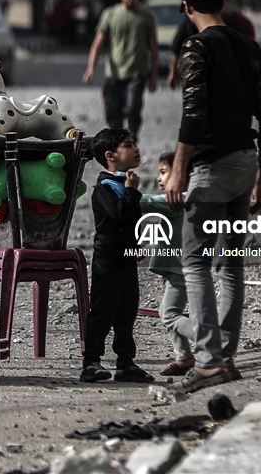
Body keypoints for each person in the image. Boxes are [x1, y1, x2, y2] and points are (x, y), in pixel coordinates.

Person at [164, 0, 261, 395]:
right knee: (230, 264)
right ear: (224, 3)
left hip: (211, 170)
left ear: (188, 8)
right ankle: (225, 357)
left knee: (195, 263)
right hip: (246, 165)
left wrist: (178, 169)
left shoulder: (196, 47)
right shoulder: (250, 46)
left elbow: (193, 113)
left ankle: (209, 361)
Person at [81, 128, 154, 384]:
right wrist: (132, 191)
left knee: (126, 312)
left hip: (125, 259)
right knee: (103, 311)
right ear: (111, 155)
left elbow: (132, 222)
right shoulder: (105, 186)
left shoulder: (125, 183)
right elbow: (121, 215)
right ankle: (90, 362)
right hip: (107, 260)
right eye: (128, 144)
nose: (135, 149)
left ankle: (126, 363)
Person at [82, 0, 159, 142]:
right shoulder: (110, 14)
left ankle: (132, 136)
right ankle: (118, 141)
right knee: (112, 111)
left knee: (133, 108)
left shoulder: (146, 16)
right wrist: (91, 68)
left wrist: (153, 76)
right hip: (114, 73)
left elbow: (153, 48)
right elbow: (98, 43)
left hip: (137, 74)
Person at [139, 152, 195, 377]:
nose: (160, 179)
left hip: (181, 272)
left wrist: (122, 187)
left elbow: (145, 202)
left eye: (163, 173)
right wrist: (146, 250)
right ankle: (184, 358)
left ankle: (210, 341)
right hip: (183, 269)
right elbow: (171, 238)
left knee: (170, 315)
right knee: (167, 312)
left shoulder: (176, 199)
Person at [167, 6, 255, 89]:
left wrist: (173, 73)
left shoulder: (191, 20)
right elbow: (245, 48)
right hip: (230, 76)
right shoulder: (230, 19)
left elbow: (176, 49)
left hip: (200, 77)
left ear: (188, 7)